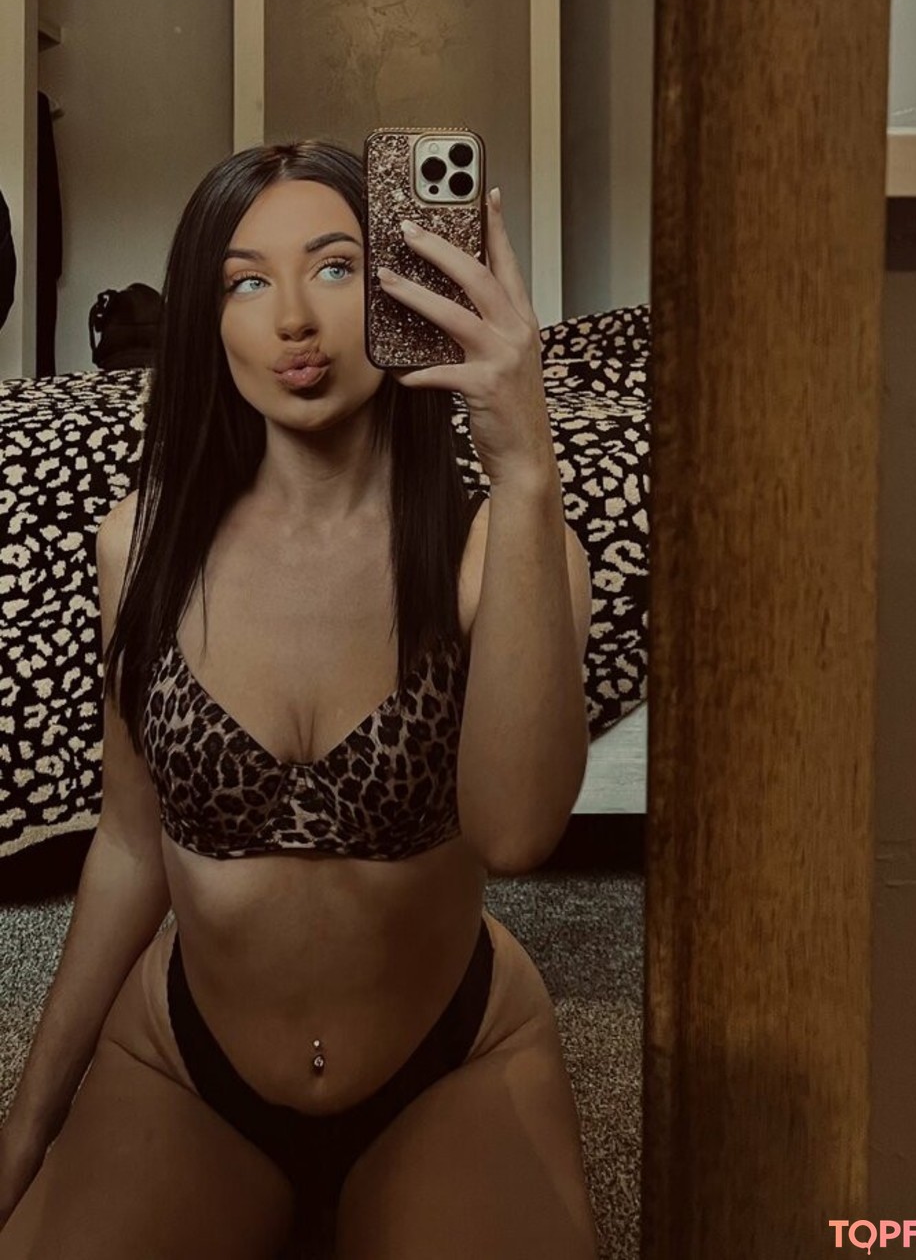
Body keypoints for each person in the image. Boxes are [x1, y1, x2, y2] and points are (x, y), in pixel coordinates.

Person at [0, 140, 598, 1258]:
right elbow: (129, 843)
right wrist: (27, 1127)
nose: (292, 320)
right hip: (188, 1060)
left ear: (395, 293)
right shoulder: (141, 544)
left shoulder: (499, 548)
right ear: (206, 318)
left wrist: (526, 469)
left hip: (450, 1059)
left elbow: (518, 833)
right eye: (245, 281)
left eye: (333, 268)